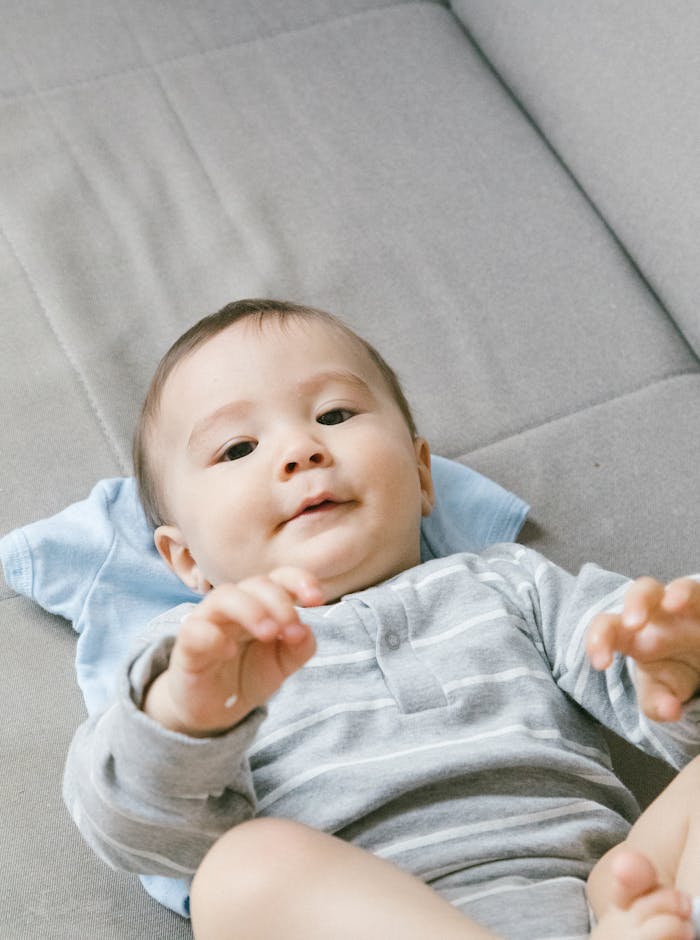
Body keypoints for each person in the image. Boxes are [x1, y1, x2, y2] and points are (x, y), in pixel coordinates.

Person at [64, 299, 700, 939]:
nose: (300, 449)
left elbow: (640, 666)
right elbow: (137, 834)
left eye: (334, 414)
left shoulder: (508, 582)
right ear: (186, 559)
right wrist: (184, 718)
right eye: (238, 448)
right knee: (238, 871)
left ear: (422, 475)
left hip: (600, 904)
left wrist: (680, 669)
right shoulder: (195, 656)